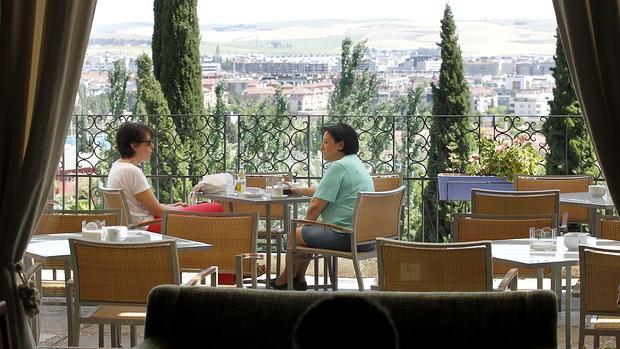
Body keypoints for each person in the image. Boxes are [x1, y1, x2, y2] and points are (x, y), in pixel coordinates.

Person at [271, 123, 374, 290]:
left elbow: (314, 207)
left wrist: (304, 227)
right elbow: (326, 191)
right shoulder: (355, 164)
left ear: (340, 145)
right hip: (366, 239)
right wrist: (298, 190)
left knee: (295, 235)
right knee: (305, 234)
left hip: (346, 236)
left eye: (326, 142)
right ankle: (298, 280)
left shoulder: (338, 166)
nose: (321, 147)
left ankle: (284, 280)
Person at [107, 121, 223, 232]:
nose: (152, 146)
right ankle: (220, 250)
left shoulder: (117, 166)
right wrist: (181, 209)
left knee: (202, 211)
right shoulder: (132, 171)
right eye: (148, 143)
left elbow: (143, 207)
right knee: (215, 208)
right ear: (134, 145)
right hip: (146, 227)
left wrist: (170, 206)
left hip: (139, 225)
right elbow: (157, 210)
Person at [291, 296, 399, 349]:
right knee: (301, 251)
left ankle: (289, 278)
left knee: (296, 251)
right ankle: (295, 278)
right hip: (367, 250)